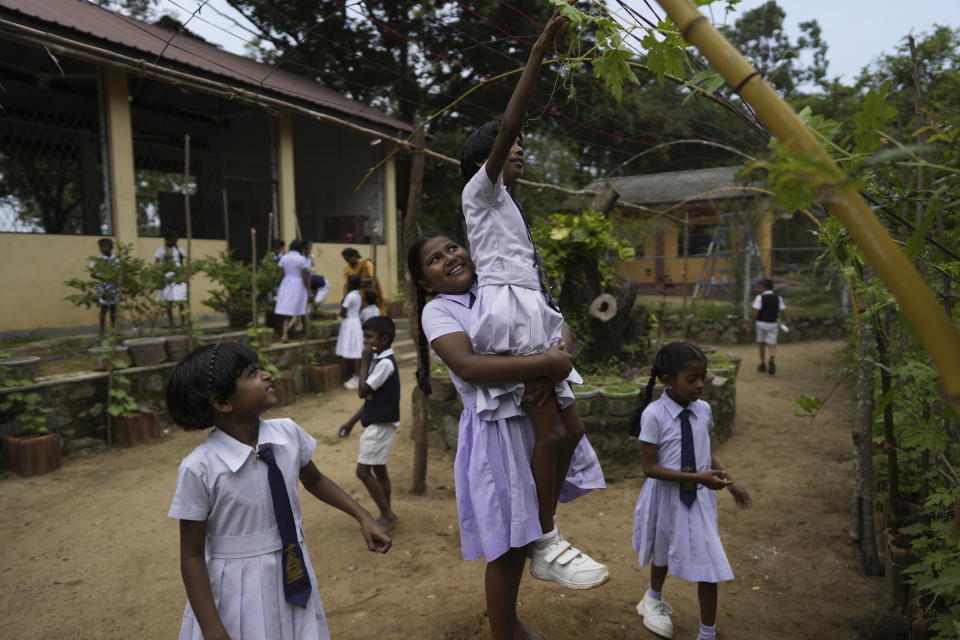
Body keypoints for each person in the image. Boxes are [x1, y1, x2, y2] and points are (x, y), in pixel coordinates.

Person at [456, 7, 607, 590]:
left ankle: (546, 526)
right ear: (483, 160)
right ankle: (544, 538)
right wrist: (538, 56)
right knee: (548, 433)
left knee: (571, 433)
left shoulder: (510, 205)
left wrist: (555, 329)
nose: (517, 147)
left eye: (518, 144)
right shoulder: (480, 190)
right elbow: (513, 113)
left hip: (532, 314)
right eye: (505, 144)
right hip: (511, 316)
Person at [409, 232, 607, 640]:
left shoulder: (499, 288)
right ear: (426, 283)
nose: (449, 257)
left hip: (536, 412)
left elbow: (557, 324)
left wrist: (555, 360)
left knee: (560, 451)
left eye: (452, 248)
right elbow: (469, 366)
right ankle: (505, 628)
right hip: (495, 429)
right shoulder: (439, 311)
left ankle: (546, 540)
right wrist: (541, 365)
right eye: (434, 259)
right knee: (508, 543)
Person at [166, 342, 391, 640]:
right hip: (236, 590)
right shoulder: (201, 468)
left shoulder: (287, 433)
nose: (267, 375)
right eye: (252, 373)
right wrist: (212, 628)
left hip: (293, 570)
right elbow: (192, 556)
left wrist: (363, 516)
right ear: (221, 402)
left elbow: (315, 480)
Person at [628, 342, 751, 640]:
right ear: (668, 380)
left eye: (703, 377)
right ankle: (653, 597)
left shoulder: (703, 410)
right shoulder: (654, 415)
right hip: (664, 495)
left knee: (708, 562)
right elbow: (649, 468)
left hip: (698, 499)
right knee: (662, 544)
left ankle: (707, 632)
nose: (699, 385)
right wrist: (698, 477)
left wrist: (731, 481)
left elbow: (704, 452)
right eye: (691, 379)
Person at [336, 316, 400, 532]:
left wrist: (363, 361)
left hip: (381, 425)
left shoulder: (383, 364)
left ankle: (387, 515)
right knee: (379, 469)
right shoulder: (380, 360)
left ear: (384, 339)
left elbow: (363, 391)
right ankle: (387, 512)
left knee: (363, 471)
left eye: (369, 337)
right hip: (379, 422)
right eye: (364, 336)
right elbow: (371, 398)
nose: (365, 342)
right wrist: (351, 422)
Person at [749, 278, 791, 374]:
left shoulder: (760, 297)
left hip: (761, 323)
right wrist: (788, 323)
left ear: (764, 287)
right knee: (772, 344)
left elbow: (756, 312)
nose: (758, 289)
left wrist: (750, 323)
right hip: (773, 323)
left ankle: (762, 364)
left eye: (759, 287)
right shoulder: (778, 298)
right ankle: (772, 357)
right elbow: (783, 312)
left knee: (761, 343)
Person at [275, 239, 311, 343]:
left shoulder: (284, 257)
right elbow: (305, 276)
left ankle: (284, 334)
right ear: (300, 248)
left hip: (287, 283)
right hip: (299, 284)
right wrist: (308, 289)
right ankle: (306, 333)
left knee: (287, 312)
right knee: (303, 309)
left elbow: (280, 274)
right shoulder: (302, 259)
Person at [154, 231, 187, 328]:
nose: (175, 242)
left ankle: (183, 322)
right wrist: (159, 275)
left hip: (178, 275)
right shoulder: (160, 250)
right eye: (173, 240)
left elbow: (181, 263)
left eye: (176, 241)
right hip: (167, 275)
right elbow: (157, 263)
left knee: (180, 299)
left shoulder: (179, 250)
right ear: (167, 240)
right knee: (169, 300)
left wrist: (182, 273)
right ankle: (171, 323)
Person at [336, 274, 364, 389]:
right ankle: (357, 376)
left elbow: (342, 311)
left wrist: (341, 314)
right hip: (355, 321)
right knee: (355, 349)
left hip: (349, 324)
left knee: (354, 351)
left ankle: (357, 378)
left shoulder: (350, 296)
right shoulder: (358, 295)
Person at [90, 238, 119, 338]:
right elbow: (93, 274)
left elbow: (119, 272)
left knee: (113, 310)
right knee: (104, 309)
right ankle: (102, 331)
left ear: (111, 247)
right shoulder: (98, 260)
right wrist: (104, 278)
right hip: (103, 287)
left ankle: (113, 331)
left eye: (105, 246)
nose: (103, 249)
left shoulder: (116, 259)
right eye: (101, 247)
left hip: (114, 287)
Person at [341, 248, 383, 313]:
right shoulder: (347, 269)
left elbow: (373, 279)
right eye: (346, 260)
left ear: (354, 256)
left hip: (369, 293)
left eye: (348, 259)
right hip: (358, 294)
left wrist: (358, 281)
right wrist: (345, 297)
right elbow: (346, 285)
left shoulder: (366, 263)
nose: (348, 262)